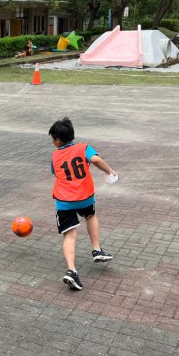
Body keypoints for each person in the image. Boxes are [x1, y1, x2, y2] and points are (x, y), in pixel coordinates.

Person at [48, 117, 117, 291]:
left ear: (57, 140)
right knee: (90, 216)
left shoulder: (54, 156)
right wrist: (109, 171)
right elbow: (96, 160)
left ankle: (72, 271)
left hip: (64, 200)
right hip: (85, 196)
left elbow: (56, 172)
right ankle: (96, 249)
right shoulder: (84, 148)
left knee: (69, 235)